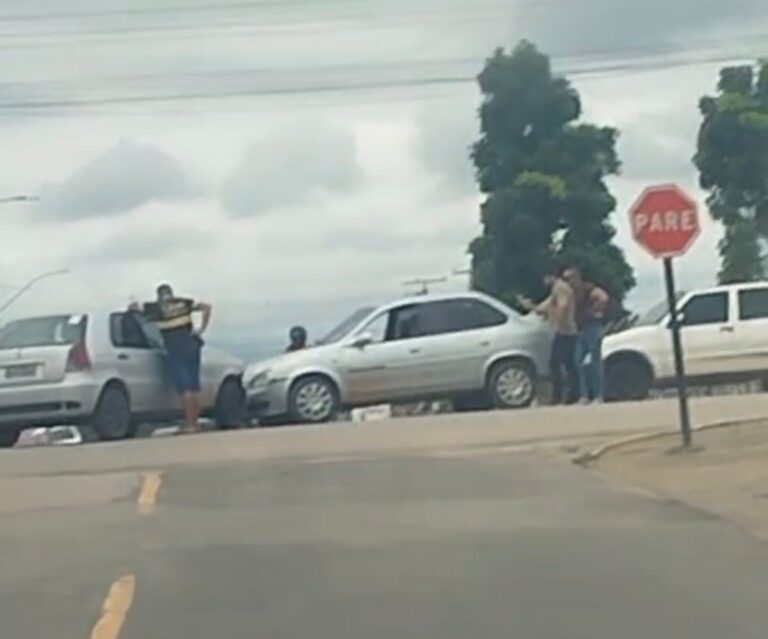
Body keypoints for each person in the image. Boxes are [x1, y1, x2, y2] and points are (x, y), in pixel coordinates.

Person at [131, 284, 212, 433]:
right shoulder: (184, 302)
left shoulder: (156, 308)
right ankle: (196, 423)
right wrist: (201, 329)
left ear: (159, 295)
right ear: (172, 293)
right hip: (193, 346)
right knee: (194, 387)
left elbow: (135, 307)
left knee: (185, 388)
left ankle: (190, 425)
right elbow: (207, 307)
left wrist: (134, 304)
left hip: (176, 350)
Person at [519, 265, 579, 405]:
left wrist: (558, 324)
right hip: (564, 330)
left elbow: (563, 306)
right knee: (563, 364)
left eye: (545, 277)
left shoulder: (561, 288)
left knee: (558, 363)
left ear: (551, 275)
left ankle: (566, 395)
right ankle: (566, 395)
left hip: (565, 331)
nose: (543, 281)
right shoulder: (556, 290)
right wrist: (529, 306)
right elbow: (543, 308)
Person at [565, 267, 610, 404]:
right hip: (581, 329)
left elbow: (603, 297)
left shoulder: (588, 288)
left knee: (595, 362)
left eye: (569, 278)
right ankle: (584, 395)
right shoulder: (572, 293)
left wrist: (594, 310)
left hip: (592, 327)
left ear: (577, 278)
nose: (567, 282)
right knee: (579, 362)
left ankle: (598, 395)